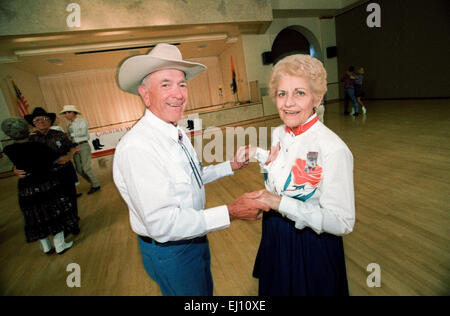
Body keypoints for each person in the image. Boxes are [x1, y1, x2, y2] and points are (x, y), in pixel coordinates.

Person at [113, 43, 268, 296]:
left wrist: (230, 166)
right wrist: (231, 212)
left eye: (182, 84)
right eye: (165, 84)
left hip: (194, 235)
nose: (178, 93)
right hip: (172, 251)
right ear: (145, 93)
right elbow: (163, 224)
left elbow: (192, 177)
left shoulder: (175, 131)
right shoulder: (138, 147)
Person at [247, 54, 355, 296]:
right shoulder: (278, 133)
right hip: (275, 235)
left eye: (300, 93)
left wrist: (278, 202)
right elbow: (288, 176)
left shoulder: (333, 149)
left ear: (317, 97)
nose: (288, 103)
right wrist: (259, 155)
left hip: (311, 245)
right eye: (282, 94)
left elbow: (342, 222)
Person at [2, 118, 79, 254]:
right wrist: (72, 152)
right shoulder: (38, 146)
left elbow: (18, 163)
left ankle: (46, 247)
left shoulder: (8, 149)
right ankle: (60, 245)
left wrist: (15, 170)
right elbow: (61, 160)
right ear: (27, 129)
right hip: (46, 183)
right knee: (54, 212)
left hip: (26, 186)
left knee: (35, 216)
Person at [15, 107, 81, 221]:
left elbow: (71, 147)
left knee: (71, 197)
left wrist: (68, 157)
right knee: (55, 201)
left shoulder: (59, 134)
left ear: (50, 121)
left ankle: (74, 220)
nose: (41, 122)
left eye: (44, 118)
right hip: (46, 176)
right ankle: (63, 224)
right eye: (37, 120)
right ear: (33, 123)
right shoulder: (31, 140)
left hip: (65, 171)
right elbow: (21, 158)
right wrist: (15, 169)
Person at [60, 105, 101, 194]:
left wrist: (70, 135)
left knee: (86, 168)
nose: (66, 115)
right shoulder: (69, 125)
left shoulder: (82, 121)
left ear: (74, 113)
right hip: (74, 147)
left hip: (83, 145)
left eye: (68, 112)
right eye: (65, 113)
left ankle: (96, 184)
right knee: (79, 169)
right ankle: (93, 182)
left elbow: (82, 132)